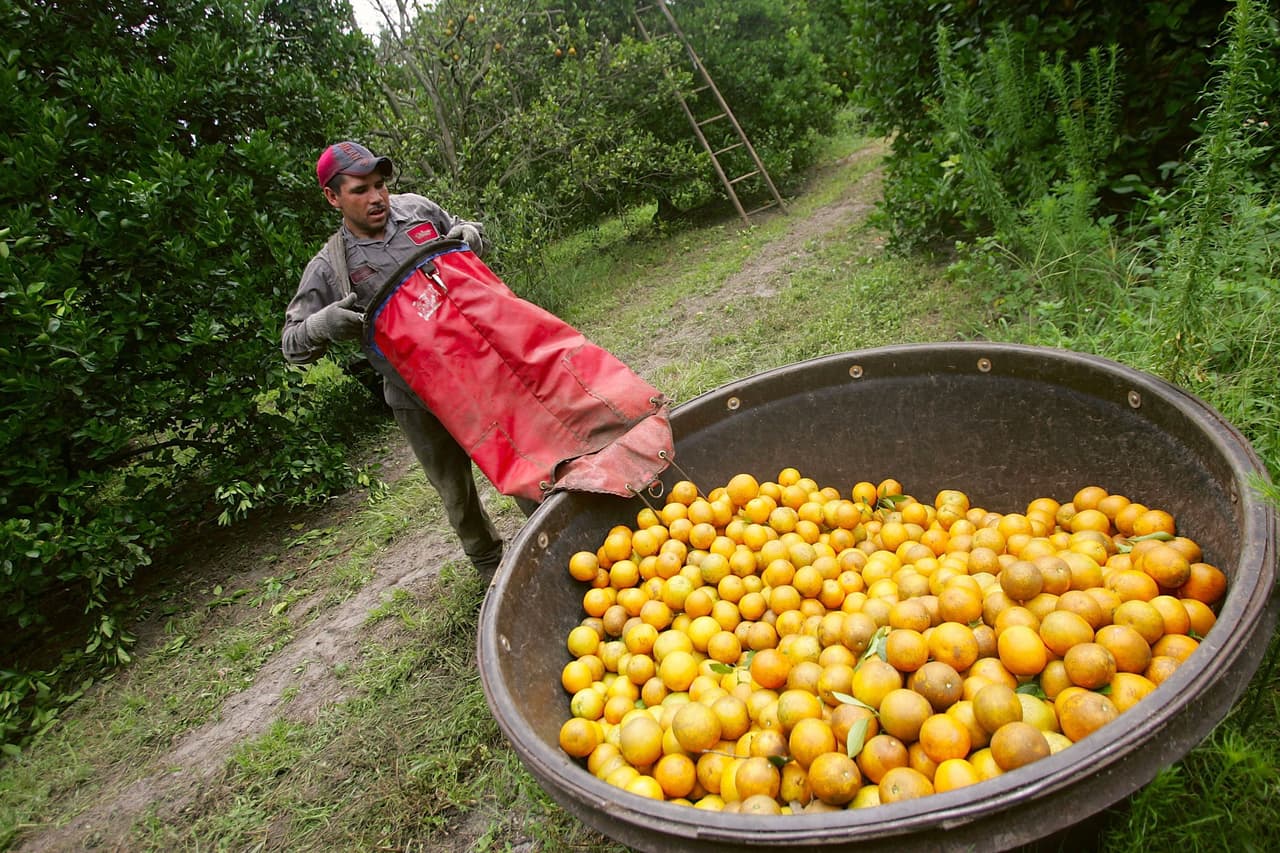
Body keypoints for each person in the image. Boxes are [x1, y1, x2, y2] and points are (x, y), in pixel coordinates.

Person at [281, 141, 515, 577]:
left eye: (380, 185)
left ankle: (553, 533)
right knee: (456, 493)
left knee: (518, 456)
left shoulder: (418, 212)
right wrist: (325, 324)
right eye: (360, 190)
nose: (377, 198)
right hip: (415, 394)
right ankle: (491, 571)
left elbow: (462, 228)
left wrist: (470, 236)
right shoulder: (330, 267)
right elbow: (291, 343)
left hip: (474, 365)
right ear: (333, 197)